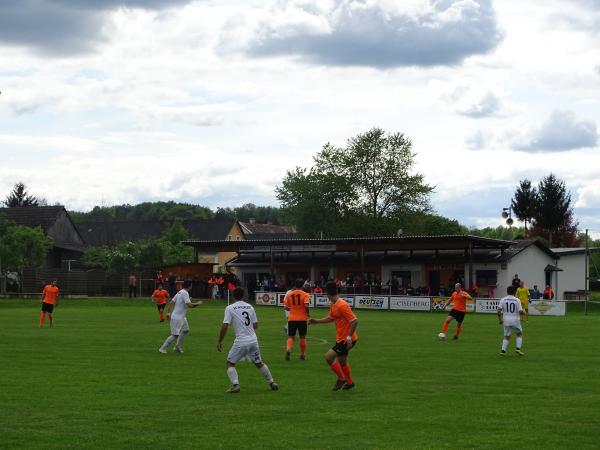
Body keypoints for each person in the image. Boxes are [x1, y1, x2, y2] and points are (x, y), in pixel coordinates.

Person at [217, 287, 279, 393]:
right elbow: (255, 325)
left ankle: (235, 385)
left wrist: (219, 341)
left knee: (230, 363)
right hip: (253, 340)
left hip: (241, 341)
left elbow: (225, 325)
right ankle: (272, 382)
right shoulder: (250, 307)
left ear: (233, 296)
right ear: (244, 295)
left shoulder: (230, 308)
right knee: (259, 363)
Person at [309, 281, 358, 391]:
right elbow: (331, 318)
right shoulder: (333, 304)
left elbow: (354, 321)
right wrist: (316, 321)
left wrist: (349, 336)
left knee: (328, 357)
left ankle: (341, 379)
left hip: (346, 340)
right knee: (342, 361)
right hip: (341, 338)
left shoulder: (342, 305)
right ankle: (350, 382)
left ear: (327, 293)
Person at [159, 280, 202, 354]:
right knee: (175, 335)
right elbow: (189, 305)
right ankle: (163, 348)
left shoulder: (180, 292)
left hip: (181, 317)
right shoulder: (185, 293)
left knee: (186, 330)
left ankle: (177, 347)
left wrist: (168, 313)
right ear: (190, 286)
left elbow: (171, 302)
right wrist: (198, 303)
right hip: (177, 318)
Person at [283, 279, 311, 360]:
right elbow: (306, 306)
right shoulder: (305, 294)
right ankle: (302, 355)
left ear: (295, 285)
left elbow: (285, 307)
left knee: (290, 337)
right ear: (302, 285)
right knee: (302, 337)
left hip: (292, 319)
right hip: (302, 319)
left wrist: (291, 310)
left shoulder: (290, 294)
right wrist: (308, 314)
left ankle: (288, 349)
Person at [497, 285, 525, 356]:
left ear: (507, 291)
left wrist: (500, 320)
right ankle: (518, 349)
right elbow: (520, 311)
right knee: (519, 334)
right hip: (515, 321)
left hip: (506, 321)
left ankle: (503, 351)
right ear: (514, 292)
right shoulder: (517, 300)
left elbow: (498, 311)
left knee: (506, 336)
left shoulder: (503, 299)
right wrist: (524, 312)